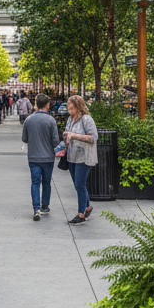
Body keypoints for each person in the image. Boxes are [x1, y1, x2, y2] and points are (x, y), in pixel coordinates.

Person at [22, 93, 58, 220]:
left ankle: (36, 208)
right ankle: (45, 206)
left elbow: (24, 138)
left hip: (33, 157)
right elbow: (55, 141)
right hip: (48, 157)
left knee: (35, 182)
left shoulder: (28, 120)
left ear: (36, 104)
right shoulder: (51, 120)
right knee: (46, 183)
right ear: (47, 105)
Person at [63, 95, 98, 224]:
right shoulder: (70, 119)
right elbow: (67, 133)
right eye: (68, 105)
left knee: (80, 185)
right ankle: (87, 207)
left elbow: (93, 138)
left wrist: (75, 135)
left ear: (77, 106)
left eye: (70, 105)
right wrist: (66, 138)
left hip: (84, 157)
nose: (68, 108)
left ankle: (80, 214)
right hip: (72, 156)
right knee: (79, 186)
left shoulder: (87, 119)